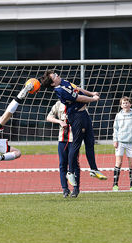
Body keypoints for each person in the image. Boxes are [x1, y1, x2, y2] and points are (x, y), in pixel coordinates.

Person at [41, 70, 107, 198]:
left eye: (56, 74)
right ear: (52, 84)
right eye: (54, 76)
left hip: (84, 114)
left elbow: (78, 89)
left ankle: (93, 169)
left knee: (90, 142)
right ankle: (70, 173)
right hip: (76, 116)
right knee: (75, 146)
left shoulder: (64, 82)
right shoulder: (60, 90)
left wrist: (92, 93)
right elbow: (79, 97)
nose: (57, 75)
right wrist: (93, 99)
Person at [46, 100, 80, 198]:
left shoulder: (79, 103)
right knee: (62, 163)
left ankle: (76, 188)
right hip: (62, 138)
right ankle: (65, 188)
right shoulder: (58, 104)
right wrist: (59, 121)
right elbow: (49, 117)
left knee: (74, 163)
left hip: (74, 139)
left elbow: (85, 118)